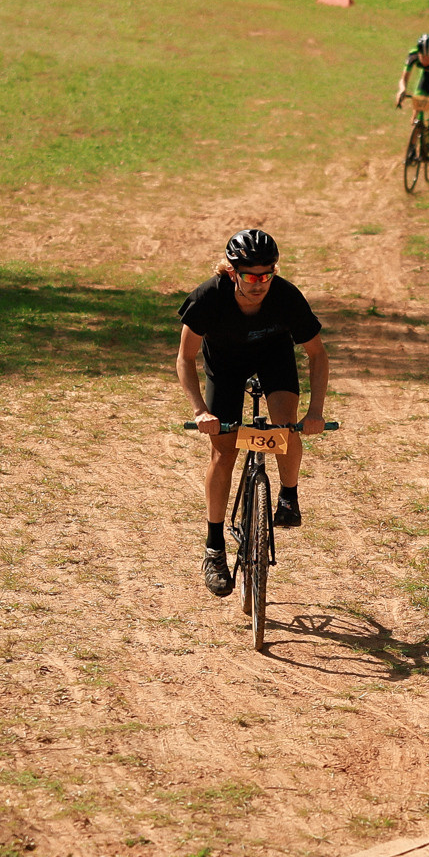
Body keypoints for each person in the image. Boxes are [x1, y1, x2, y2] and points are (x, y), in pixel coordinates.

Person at [177, 229, 329, 596]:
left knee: (285, 427)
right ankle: (214, 549)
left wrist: (315, 412)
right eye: (250, 275)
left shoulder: (287, 297)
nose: (259, 283)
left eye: (267, 274)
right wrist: (199, 410)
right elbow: (185, 358)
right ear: (232, 272)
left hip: (273, 358)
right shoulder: (208, 298)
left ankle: (288, 496)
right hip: (225, 366)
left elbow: (317, 355)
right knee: (223, 449)